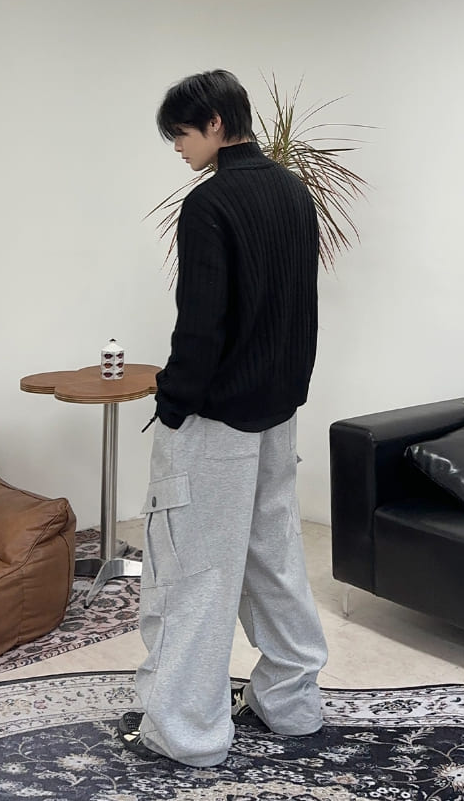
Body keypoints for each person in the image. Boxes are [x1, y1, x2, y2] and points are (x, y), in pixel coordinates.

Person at [118, 69, 328, 767]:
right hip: (277, 410)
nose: (178, 147)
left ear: (213, 123)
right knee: (275, 557)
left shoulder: (209, 203)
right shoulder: (294, 191)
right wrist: (289, 388)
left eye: (180, 133)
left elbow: (200, 324)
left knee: (192, 571)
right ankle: (291, 703)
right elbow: (300, 310)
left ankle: (186, 732)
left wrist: (172, 402)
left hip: (215, 419)